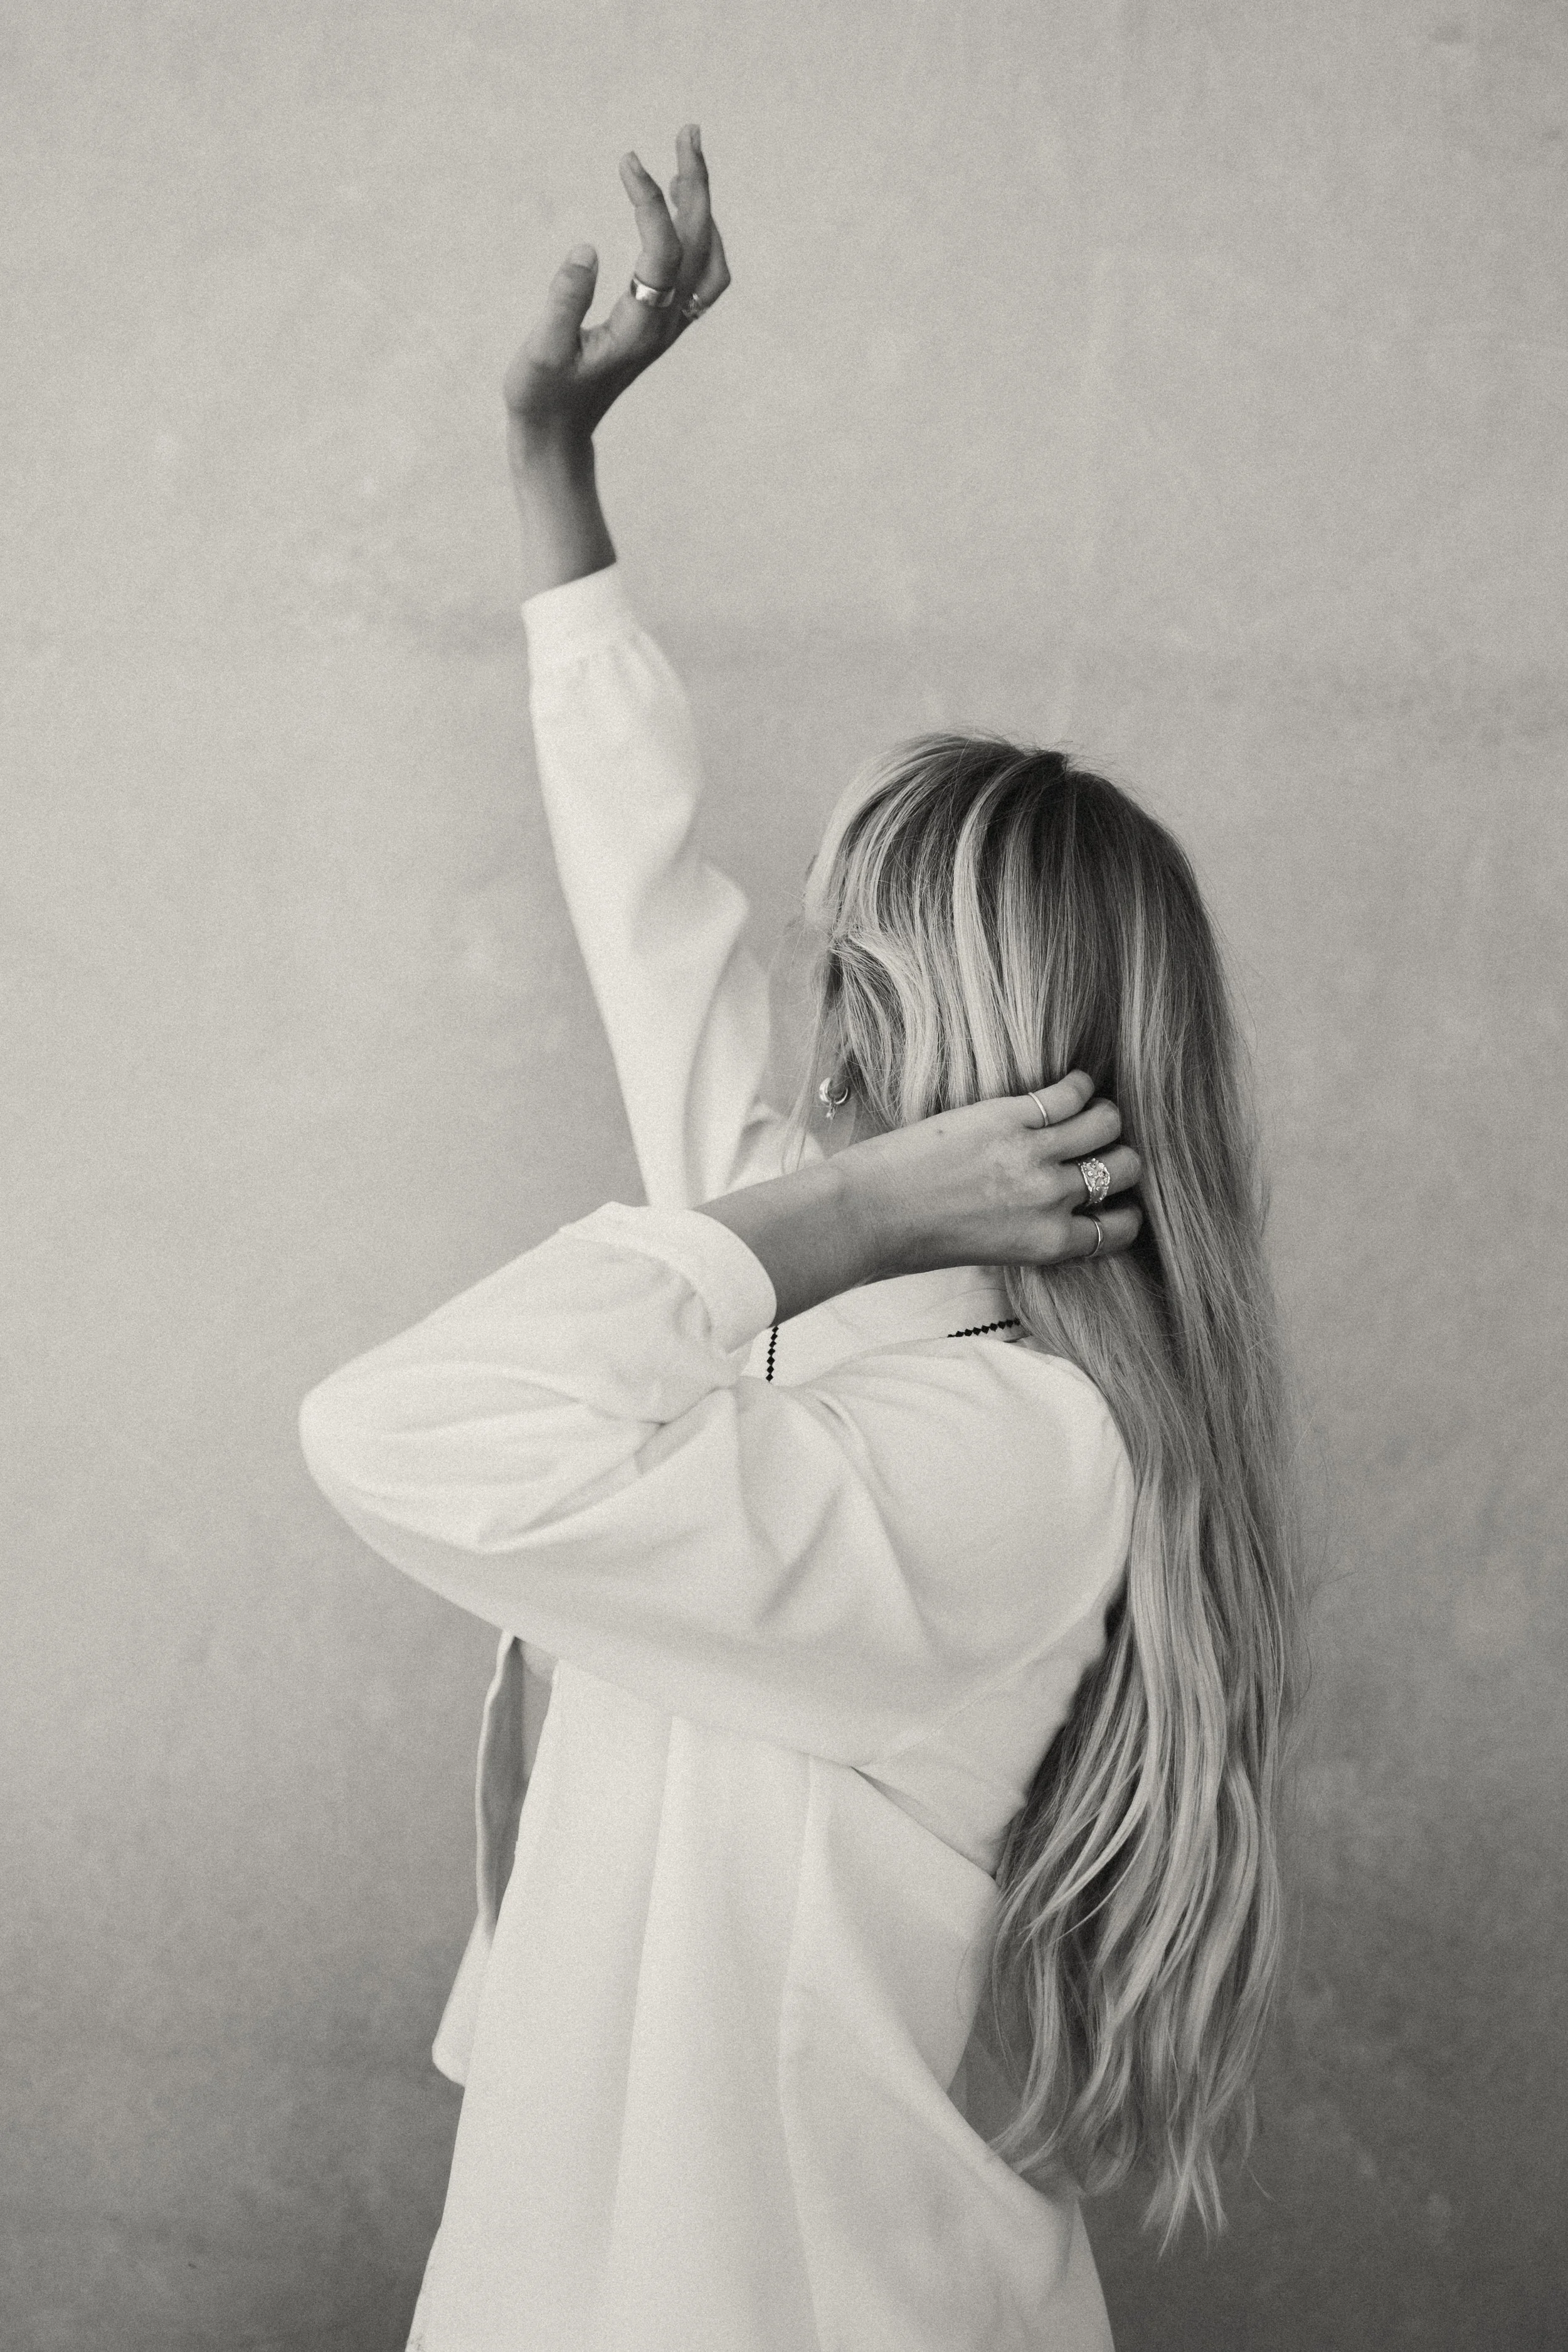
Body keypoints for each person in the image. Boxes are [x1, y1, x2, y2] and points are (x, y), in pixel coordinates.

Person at [298, 126, 1306, 2352]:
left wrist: (832, 1203)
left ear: (950, 1037)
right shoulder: (830, 1302)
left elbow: (408, 1433)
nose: (799, 991)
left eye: (853, 958)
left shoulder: (1023, 1457)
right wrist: (549, 468)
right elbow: (643, 893)